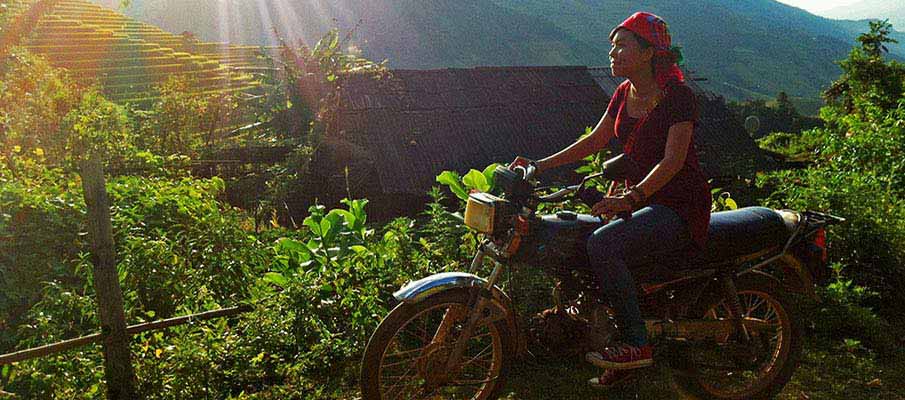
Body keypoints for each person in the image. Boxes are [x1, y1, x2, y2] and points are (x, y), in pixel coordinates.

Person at [511, 12, 711, 387]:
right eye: (612, 45)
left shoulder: (678, 98)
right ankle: (606, 336)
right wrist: (540, 164)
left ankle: (637, 344)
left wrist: (630, 197)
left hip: (679, 205)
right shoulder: (623, 93)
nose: (613, 52)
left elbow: (673, 161)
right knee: (579, 238)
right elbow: (596, 140)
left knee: (603, 244)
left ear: (650, 53)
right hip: (638, 201)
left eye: (623, 45)